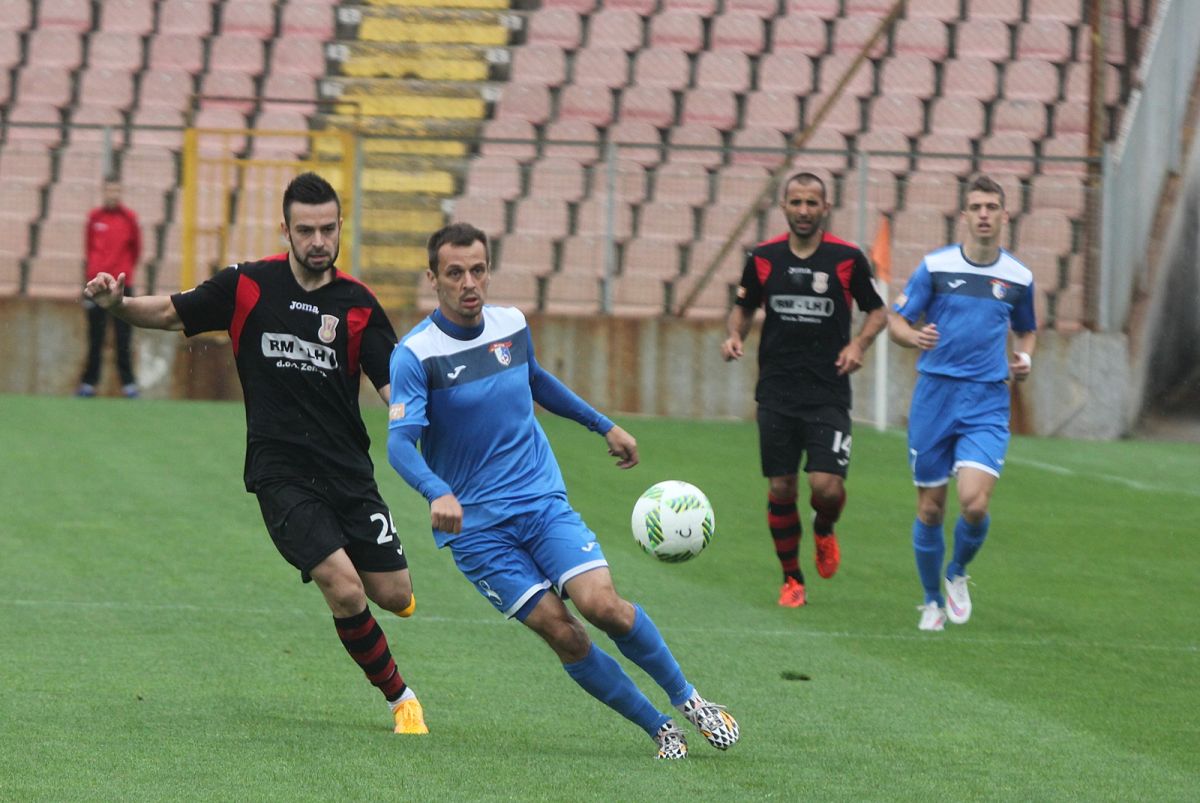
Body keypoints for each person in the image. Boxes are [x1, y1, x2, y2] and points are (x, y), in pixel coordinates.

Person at [81, 172, 428, 733]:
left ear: (341, 227)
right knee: (343, 587)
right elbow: (170, 312)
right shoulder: (248, 285)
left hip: (348, 473)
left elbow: (396, 392)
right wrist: (117, 305)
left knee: (394, 593)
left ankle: (382, 589)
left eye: (328, 229)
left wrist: (430, 427)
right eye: (306, 230)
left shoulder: (359, 305)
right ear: (285, 231)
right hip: (280, 473)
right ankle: (401, 698)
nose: (318, 241)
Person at [386, 222, 739, 760]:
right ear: (432, 278)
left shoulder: (510, 324)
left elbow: (536, 379)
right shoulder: (415, 354)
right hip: (479, 531)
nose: (468, 283)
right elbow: (399, 444)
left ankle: (690, 699)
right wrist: (437, 491)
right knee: (563, 632)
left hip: (540, 501)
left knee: (603, 606)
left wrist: (604, 425)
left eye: (478, 270)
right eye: (454, 273)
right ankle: (659, 728)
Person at [721, 171, 887, 608]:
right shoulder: (763, 258)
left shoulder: (847, 259)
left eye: (812, 203)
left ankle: (824, 528)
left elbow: (877, 312)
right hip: (776, 391)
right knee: (781, 488)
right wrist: (735, 335)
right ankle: (792, 578)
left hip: (828, 392)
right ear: (784, 207)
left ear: (825, 208)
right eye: (796, 202)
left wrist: (858, 344)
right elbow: (743, 307)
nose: (803, 210)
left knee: (826, 487)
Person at [888, 174, 1036, 632]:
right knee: (931, 508)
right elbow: (898, 321)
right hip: (935, 396)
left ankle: (956, 572)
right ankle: (931, 600)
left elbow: (1026, 329)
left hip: (987, 399)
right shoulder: (935, 267)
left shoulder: (1018, 277)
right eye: (977, 207)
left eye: (992, 207)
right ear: (965, 215)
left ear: (1005, 215)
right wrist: (913, 336)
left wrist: (1025, 357)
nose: (984, 215)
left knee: (973, 503)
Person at [79, 177, 142, 398]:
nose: (112, 195)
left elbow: (136, 250)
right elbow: (89, 248)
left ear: (120, 192)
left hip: (121, 286)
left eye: (116, 191)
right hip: (97, 286)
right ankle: (89, 384)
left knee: (123, 337)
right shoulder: (94, 217)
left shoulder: (129, 218)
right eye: (109, 190)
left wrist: (124, 273)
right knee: (95, 337)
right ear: (104, 192)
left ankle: (128, 385)